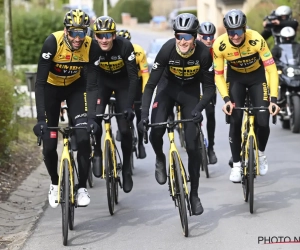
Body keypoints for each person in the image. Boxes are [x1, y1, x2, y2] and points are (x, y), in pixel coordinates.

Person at [138, 13, 216, 215]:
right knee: (156, 131)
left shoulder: (204, 54)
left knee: (192, 147)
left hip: (190, 94)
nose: (182, 41)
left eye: (188, 36)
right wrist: (144, 115)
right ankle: (160, 158)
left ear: (195, 38)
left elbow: (209, 89)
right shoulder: (166, 50)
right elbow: (150, 86)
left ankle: (194, 195)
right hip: (167, 90)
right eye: (179, 36)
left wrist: (198, 109)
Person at [32, 9, 99, 208]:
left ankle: (81, 187)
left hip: (75, 89)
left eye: (82, 32)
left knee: (83, 137)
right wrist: (40, 119)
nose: (78, 38)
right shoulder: (52, 42)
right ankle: (54, 182)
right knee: (50, 146)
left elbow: (93, 85)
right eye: (73, 32)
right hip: (51, 90)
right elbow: (40, 83)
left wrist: (92, 118)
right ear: (65, 30)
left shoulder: (91, 46)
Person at [213, 9, 280, 183]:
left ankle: (261, 154)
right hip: (236, 79)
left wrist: (273, 99)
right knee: (235, 120)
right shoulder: (219, 45)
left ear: (245, 29)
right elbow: (219, 75)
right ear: (226, 31)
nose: (235, 36)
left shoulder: (257, 39)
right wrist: (226, 99)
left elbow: (271, 69)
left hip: (257, 78)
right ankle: (236, 165)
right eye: (231, 32)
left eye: (239, 31)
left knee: (263, 121)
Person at [86, 16, 140, 193]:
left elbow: (133, 78)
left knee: (125, 129)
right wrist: (90, 111)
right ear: (95, 37)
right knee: (96, 120)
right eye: (100, 35)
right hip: (103, 84)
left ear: (114, 35)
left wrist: (129, 106)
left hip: (123, 83)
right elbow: (91, 79)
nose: (103, 39)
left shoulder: (125, 46)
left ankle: (126, 169)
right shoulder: (93, 48)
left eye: (107, 35)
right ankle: (97, 153)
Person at [115, 29, 149, 159]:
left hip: (138, 81)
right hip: (122, 82)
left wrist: (145, 93)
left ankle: (140, 143)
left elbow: (146, 75)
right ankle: (121, 127)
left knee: (140, 114)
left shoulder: (138, 51)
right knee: (118, 107)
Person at [196, 21, 218, 164]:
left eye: (210, 36)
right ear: (199, 37)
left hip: (208, 81)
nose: (208, 40)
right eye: (205, 37)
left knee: (210, 112)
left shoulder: (216, 46)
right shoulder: (194, 45)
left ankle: (211, 148)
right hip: (193, 79)